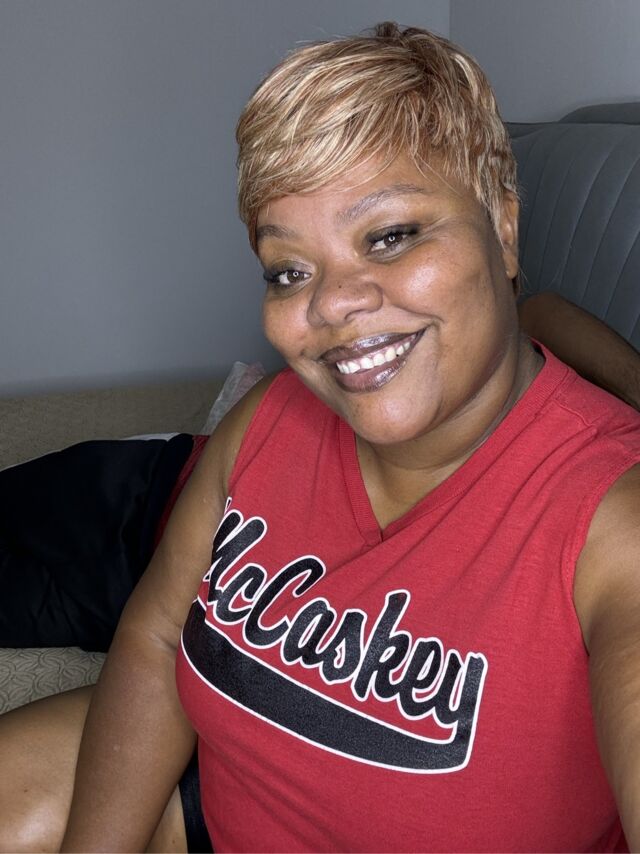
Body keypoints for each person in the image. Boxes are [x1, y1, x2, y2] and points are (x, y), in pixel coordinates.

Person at [2, 21, 640, 853]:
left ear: (504, 227)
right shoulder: (267, 422)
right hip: (214, 798)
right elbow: (159, 636)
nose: (331, 304)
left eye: (390, 236)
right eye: (290, 270)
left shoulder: (612, 524)